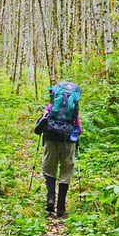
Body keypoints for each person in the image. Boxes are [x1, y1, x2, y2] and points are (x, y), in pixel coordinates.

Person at [36, 84, 82, 217]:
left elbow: (43, 121)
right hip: (68, 140)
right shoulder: (74, 107)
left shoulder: (51, 107)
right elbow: (78, 126)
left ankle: (50, 198)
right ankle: (61, 207)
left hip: (51, 138)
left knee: (49, 167)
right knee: (66, 170)